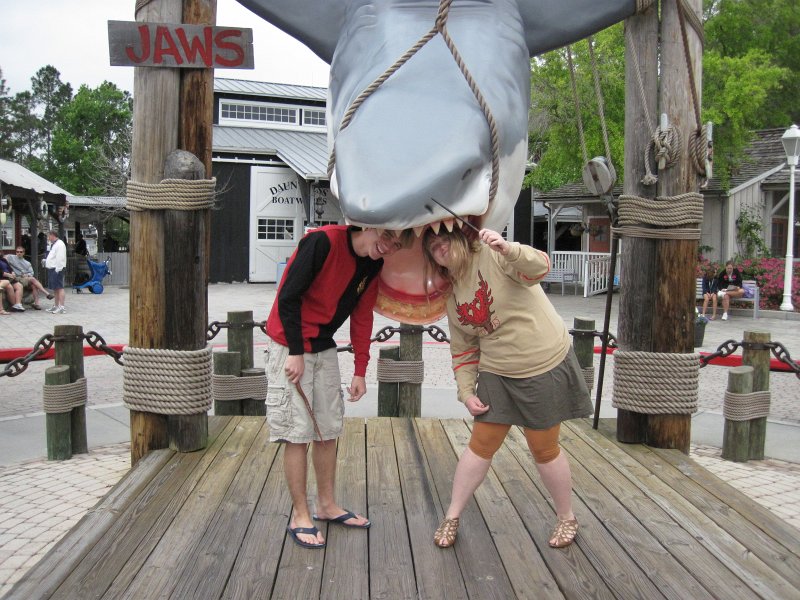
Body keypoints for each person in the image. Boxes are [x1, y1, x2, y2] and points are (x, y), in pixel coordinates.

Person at [422, 226, 592, 549]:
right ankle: (452, 515)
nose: (439, 246)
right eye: (432, 246)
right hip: (497, 371)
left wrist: (509, 248)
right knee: (480, 445)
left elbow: (540, 266)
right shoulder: (452, 293)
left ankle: (566, 516)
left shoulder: (493, 254)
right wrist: (467, 392)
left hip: (541, 363)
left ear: (460, 238)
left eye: (444, 238)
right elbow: (463, 349)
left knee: (544, 448)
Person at [266, 225, 413, 549]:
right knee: (297, 432)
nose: (388, 247)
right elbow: (288, 295)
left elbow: (362, 316)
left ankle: (327, 505)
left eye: (396, 243)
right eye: (387, 237)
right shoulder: (322, 241)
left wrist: (360, 368)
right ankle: (300, 514)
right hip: (289, 345)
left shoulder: (372, 263)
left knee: (328, 430)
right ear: (370, 225)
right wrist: (295, 351)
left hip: (323, 346)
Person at [4, 246, 53, 310]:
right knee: (32, 279)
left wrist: (27, 275)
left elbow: (31, 273)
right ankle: (46, 293)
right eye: (17, 252)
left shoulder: (27, 263)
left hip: (24, 278)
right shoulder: (11, 257)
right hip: (16, 277)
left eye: (20, 252)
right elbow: (3, 257)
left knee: (33, 284)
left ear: (23, 253)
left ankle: (37, 304)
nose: (19, 253)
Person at [44, 230, 67, 314]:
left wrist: (58, 269)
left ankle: (62, 307)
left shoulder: (60, 244)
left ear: (53, 235)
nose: (48, 238)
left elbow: (60, 258)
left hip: (57, 269)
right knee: (55, 288)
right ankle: (56, 305)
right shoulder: (54, 244)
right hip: (52, 268)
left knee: (59, 287)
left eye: (48, 236)